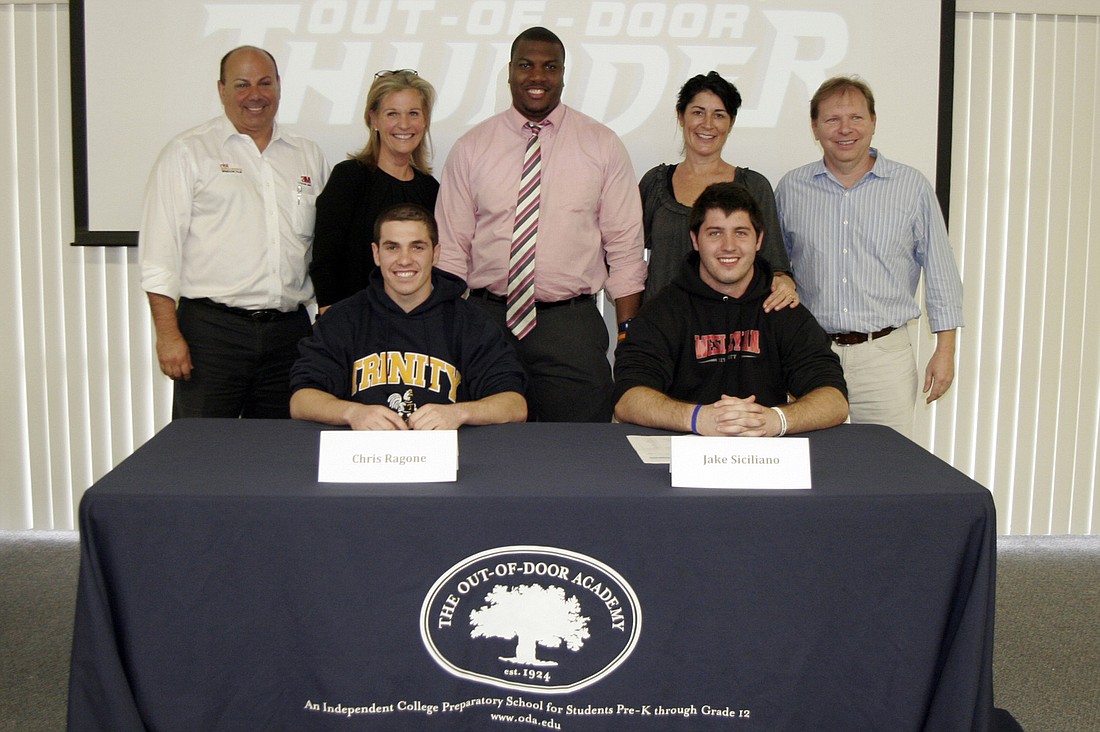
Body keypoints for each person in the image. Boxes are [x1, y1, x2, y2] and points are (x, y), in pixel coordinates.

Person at [435, 26, 647, 423]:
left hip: (570, 326)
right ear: (510, 72)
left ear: (563, 74)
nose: (537, 77)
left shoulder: (601, 145)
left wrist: (627, 335)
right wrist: (444, 330)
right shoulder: (472, 147)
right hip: (485, 320)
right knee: (480, 446)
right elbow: (450, 249)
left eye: (550, 67)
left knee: (577, 450)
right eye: (526, 65)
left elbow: (626, 248)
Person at [139, 46, 329, 419]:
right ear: (221, 89)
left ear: (279, 86)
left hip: (288, 334)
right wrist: (168, 335)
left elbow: (319, 250)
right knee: (201, 454)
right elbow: (158, 256)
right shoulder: (188, 153)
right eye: (241, 85)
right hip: (212, 334)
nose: (254, 95)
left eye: (265, 83)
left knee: (279, 456)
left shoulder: (307, 155)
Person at [774, 76, 964, 440]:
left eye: (856, 118)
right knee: (817, 467)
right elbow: (776, 269)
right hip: (811, 355)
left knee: (888, 470)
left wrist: (946, 351)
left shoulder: (912, 187)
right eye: (832, 119)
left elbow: (941, 271)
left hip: (885, 357)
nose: (845, 129)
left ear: (873, 122)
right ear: (815, 127)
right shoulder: (790, 189)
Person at [614, 182, 847, 437]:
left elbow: (834, 399)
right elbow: (628, 398)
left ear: (759, 240)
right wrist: (697, 419)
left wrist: (775, 420)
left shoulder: (782, 309)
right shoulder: (662, 312)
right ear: (695, 240)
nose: (728, 246)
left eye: (741, 233)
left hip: (766, 455)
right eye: (715, 233)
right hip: (681, 454)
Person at [290, 204, 527, 430]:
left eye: (417, 247)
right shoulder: (343, 319)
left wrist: (460, 413)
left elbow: (514, 405)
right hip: (362, 458)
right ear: (376, 253)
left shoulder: (471, 322)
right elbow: (301, 401)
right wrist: (352, 413)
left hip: (448, 458)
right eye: (392, 247)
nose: (404, 259)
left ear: (435, 254)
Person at [641, 71, 797, 311]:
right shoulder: (655, 183)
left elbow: (776, 268)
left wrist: (785, 283)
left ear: (731, 123)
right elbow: (625, 261)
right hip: (664, 330)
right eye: (697, 112)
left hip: (733, 331)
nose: (707, 124)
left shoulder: (755, 187)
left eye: (719, 115)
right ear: (681, 116)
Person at [310, 70, 439, 314]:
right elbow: (325, 258)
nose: (404, 124)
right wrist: (331, 320)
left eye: (413, 113)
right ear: (374, 120)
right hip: (353, 326)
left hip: (415, 329)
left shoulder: (431, 190)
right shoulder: (349, 178)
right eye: (392, 114)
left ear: (425, 121)